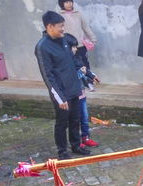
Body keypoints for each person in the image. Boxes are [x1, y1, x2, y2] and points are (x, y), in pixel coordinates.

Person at [35, 11, 90, 160]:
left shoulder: (64, 40)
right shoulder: (42, 47)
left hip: (73, 88)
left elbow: (73, 60)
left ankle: (76, 145)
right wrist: (59, 98)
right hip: (60, 93)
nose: (63, 29)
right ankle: (62, 151)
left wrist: (85, 72)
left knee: (75, 119)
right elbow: (48, 75)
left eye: (63, 26)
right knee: (62, 122)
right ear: (50, 26)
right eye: (61, 26)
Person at [64, 33, 100, 148]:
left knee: (84, 118)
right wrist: (81, 73)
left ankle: (86, 137)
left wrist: (92, 75)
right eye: (73, 47)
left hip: (81, 94)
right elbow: (71, 77)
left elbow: (83, 68)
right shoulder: (64, 63)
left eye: (75, 46)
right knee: (75, 120)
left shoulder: (76, 57)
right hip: (72, 96)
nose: (75, 49)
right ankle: (76, 140)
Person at [58, 0, 96, 70]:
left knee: (84, 63)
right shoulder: (59, 15)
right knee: (71, 65)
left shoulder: (78, 13)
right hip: (68, 46)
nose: (69, 4)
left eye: (70, 2)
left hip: (81, 45)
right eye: (66, 2)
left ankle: (88, 80)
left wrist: (93, 39)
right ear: (62, 4)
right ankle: (76, 80)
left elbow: (86, 27)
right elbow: (59, 31)